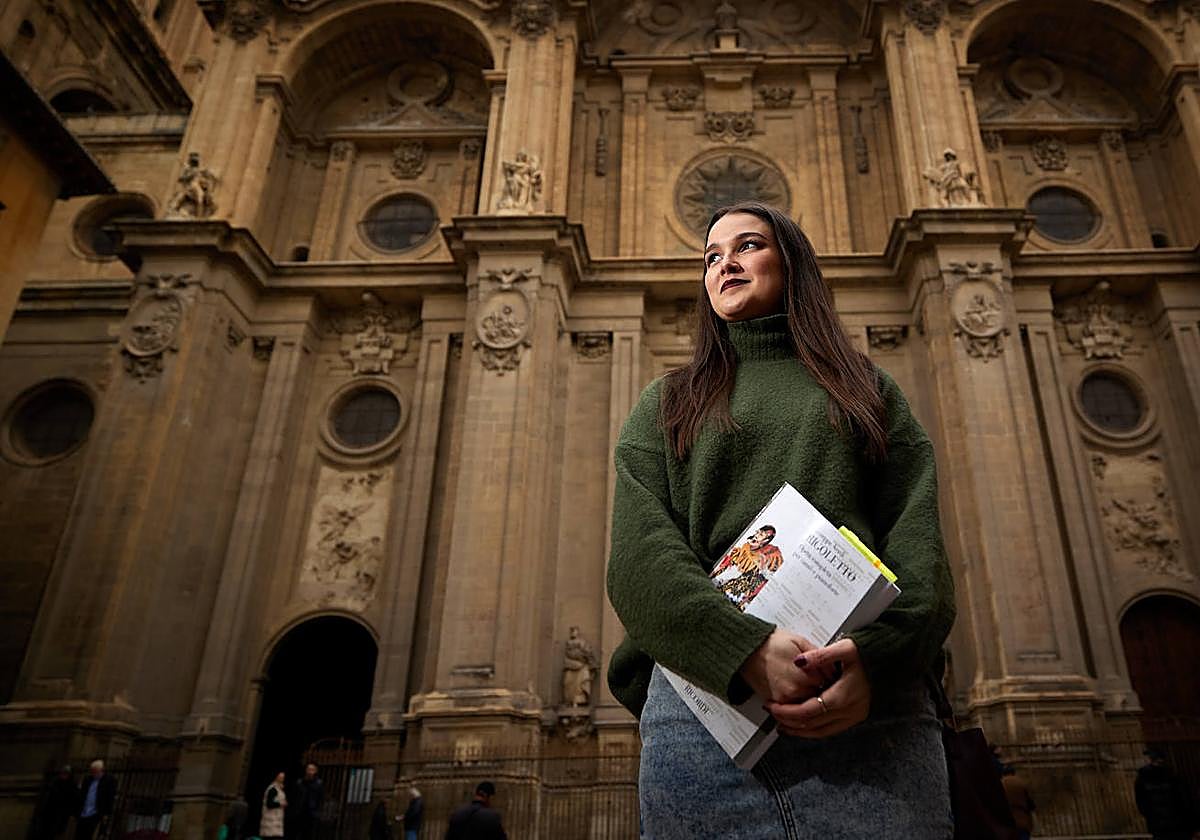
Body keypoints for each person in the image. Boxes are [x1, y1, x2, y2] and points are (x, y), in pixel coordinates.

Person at [607, 201, 956, 838]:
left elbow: (918, 542)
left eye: (747, 246)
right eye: (711, 257)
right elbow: (639, 558)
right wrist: (740, 650)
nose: (724, 264)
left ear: (792, 264)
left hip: (867, 709)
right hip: (704, 715)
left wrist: (877, 663)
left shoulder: (867, 390)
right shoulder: (665, 402)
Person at [1135, 748, 1196, 840]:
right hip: (1176, 822)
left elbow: (1141, 803)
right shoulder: (1171, 775)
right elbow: (1183, 799)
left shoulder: (1142, 778)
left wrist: (1150, 816)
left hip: (1157, 823)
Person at [31, 765, 79, 840]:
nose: (63, 775)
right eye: (63, 773)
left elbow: (71, 802)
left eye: (66, 773)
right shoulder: (55, 782)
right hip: (49, 813)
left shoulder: (72, 786)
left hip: (60, 815)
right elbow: (48, 797)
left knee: (52, 833)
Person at [75, 760, 116, 840]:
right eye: (92, 771)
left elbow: (110, 797)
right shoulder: (88, 779)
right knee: (78, 835)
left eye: (96, 772)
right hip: (83, 812)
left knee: (88, 835)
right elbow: (82, 795)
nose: (94, 774)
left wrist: (106, 813)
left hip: (95, 813)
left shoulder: (109, 780)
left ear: (101, 770)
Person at [1000, 762, 1035, 840]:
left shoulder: (1000, 784)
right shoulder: (1021, 783)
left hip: (1007, 822)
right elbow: (1031, 804)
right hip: (1022, 820)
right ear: (1013, 773)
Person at [292, 762, 324, 840]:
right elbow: (295, 796)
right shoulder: (299, 782)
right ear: (306, 770)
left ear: (316, 771)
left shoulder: (319, 783)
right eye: (309, 769)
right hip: (299, 812)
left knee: (309, 834)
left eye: (312, 770)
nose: (310, 771)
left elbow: (320, 798)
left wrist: (317, 811)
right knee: (297, 834)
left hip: (311, 813)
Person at [260, 772, 286, 839]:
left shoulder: (279, 789)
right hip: (271, 821)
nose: (282, 779)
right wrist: (281, 804)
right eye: (280, 777)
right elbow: (269, 804)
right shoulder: (272, 789)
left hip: (276, 820)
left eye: (283, 777)